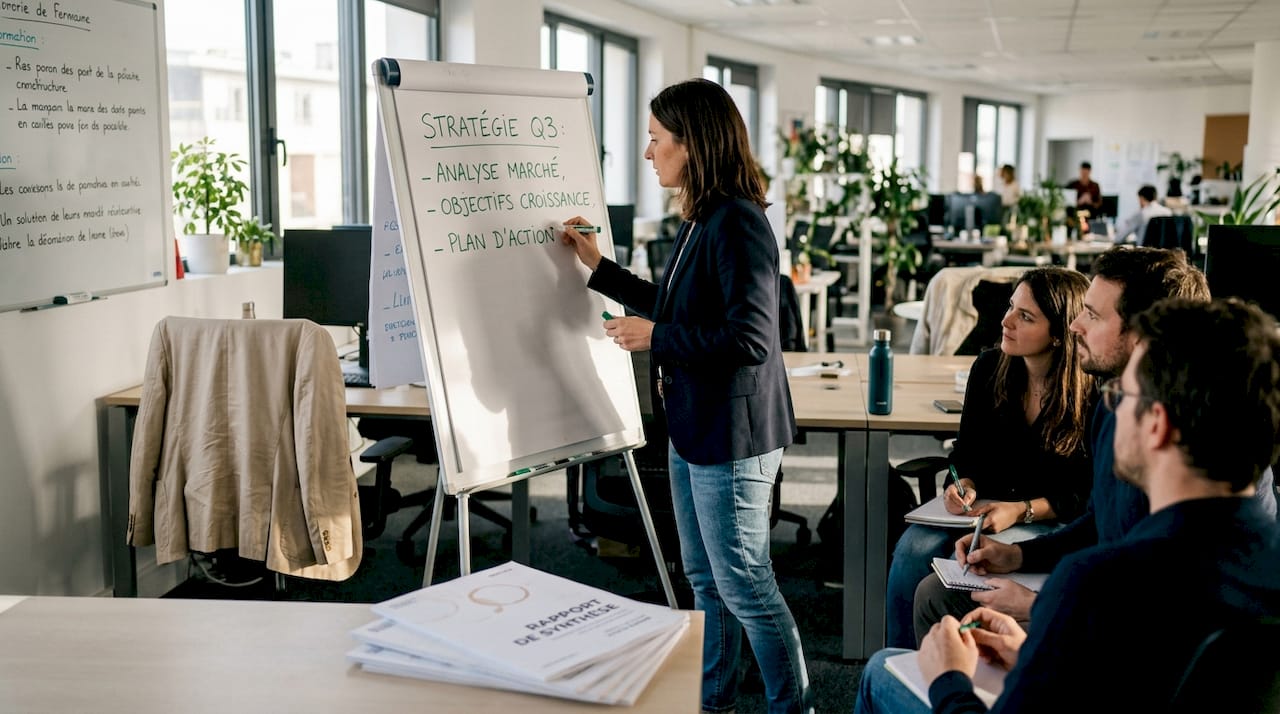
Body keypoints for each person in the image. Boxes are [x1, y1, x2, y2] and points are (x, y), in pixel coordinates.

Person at [853, 297, 1280, 714]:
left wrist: (949, 678)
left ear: (1157, 427)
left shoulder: (1096, 585)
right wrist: (1033, 659)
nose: (1109, 411)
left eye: (1121, 396)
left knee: (880, 670)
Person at [560, 78, 812, 714]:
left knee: (746, 582)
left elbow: (751, 339)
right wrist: (599, 269)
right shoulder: (702, 217)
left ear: (691, 144)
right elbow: (677, 302)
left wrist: (658, 337)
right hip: (696, 426)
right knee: (706, 579)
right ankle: (715, 702)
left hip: (732, 436)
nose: (648, 153)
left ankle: (796, 707)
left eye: (655, 138)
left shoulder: (737, 224)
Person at [910, 247, 1276, 637]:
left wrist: (1038, 605)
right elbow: (1100, 522)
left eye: (1094, 315)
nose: (1075, 326)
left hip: (1136, 635)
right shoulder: (1111, 405)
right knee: (935, 592)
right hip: (1107, 601)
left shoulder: (1196, 451)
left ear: (1142, 340)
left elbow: (1163, 609)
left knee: (885, 674)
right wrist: (1017, 555)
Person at [884, 267, 1095, 648]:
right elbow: (965, 455)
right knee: (913, 549)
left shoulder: (1092, 393)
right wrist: (961, 484)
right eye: (1011, 307)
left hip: (1051, 520)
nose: (1005, 320)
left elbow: (1085, 494)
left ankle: (960, 661)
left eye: (1025, 316)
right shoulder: (988, 369)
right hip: (982, 509)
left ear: (1061, 334)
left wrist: (1022, 509)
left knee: (957, 565)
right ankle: (902, 660)